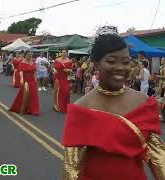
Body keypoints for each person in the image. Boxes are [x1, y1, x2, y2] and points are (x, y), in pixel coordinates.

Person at [62, 26, 165, 180]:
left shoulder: (143, 102)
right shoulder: (81, 109)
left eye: (126, 62)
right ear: (96, 64)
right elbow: (72, 168)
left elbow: (159, 157)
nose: (120, 68)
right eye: (111, 61)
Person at [9, 51, 39, 116]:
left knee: (33, 94)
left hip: (32, 80)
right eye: (28, 54)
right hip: (26, 81)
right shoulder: (22, 62)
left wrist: (36, 80)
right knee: (23, 94)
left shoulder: (33, 63)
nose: (30, 56)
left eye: (31, 54)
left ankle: (33, 110)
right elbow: (21, 71)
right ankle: (22, 108)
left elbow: (35, 72)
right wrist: (22, 80)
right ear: (25, 55)